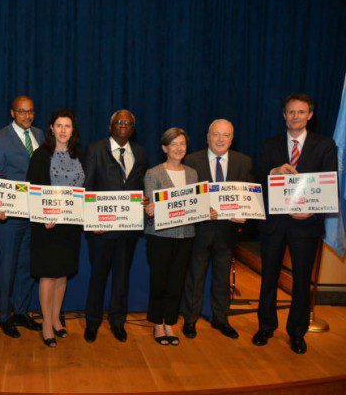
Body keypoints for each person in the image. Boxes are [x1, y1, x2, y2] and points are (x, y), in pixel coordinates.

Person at [252, 93, 337, 354]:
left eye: (301, 112)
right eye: (291, 112)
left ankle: (297, 332)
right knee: (268, 277)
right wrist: (273, 172)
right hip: (274, 224)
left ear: (310, 115)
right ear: (284, 115)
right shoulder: (270, 145)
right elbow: (257, 179)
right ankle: (266, 326)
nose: (295, 116)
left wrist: (311, 212)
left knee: (301, 281)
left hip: (305, 226)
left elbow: (329, 182)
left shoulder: (325, 145)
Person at [182, 119, 254, 339]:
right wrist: (202, 210)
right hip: (200, 230)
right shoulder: (192, 160)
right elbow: (186, 197)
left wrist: (246, 213)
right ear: (207, 136)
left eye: (226, 135)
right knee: (195, 276)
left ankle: (220, 319)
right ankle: (190, 320)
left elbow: (249, 197)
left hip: (227, 231)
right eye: (216, 134)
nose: (221, 139)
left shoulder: (244, 161)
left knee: (223, 277)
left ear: (232, 138)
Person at [144, 128, 215, 346]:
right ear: (164, 148)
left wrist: (207, 211)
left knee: (177, 282)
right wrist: (149, 209)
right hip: (160, 237)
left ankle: (170, 323)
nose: (178, 148)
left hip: (186, 236)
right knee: (159, 281)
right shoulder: (153, 173)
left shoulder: (192, 173)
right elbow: (147, 206)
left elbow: (193, 205)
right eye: (173, 144)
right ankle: (157, 323)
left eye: (182, 144)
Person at [82, 110, 148, 343]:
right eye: (119, 122)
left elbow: (140, 189)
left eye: (128, 123)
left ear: (133, 129)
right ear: (110, 126)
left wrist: (146, 202)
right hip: (101, 230)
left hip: (128, 231)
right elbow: (87, 188)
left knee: (122, 278)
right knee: (98, 277)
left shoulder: (140, 152)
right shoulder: (95, 149)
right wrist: (91, 223)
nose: (123, 125)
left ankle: (118, 322)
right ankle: (92, 323)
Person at [26, 108, 84, 347]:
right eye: (58, 125)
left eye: (67, 126)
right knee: (48, 275)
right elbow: (33, 190)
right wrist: (44, 216)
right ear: (51, 128)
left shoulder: (79, 154)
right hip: (47, 226)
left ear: (72, 130)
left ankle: (57, 319)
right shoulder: (41, 155)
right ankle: (47, 324)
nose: (62, 130)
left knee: (62, 273)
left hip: (70, 226)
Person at [0, 95, 44, 337]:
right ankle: (4, 315)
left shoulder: (40, 135)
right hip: (9, 217)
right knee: (8, 266)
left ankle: (21, 310)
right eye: (22, 112)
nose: (27, 116)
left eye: (30, 111)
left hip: (35, 214)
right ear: (12, 113)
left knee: (26, 266)